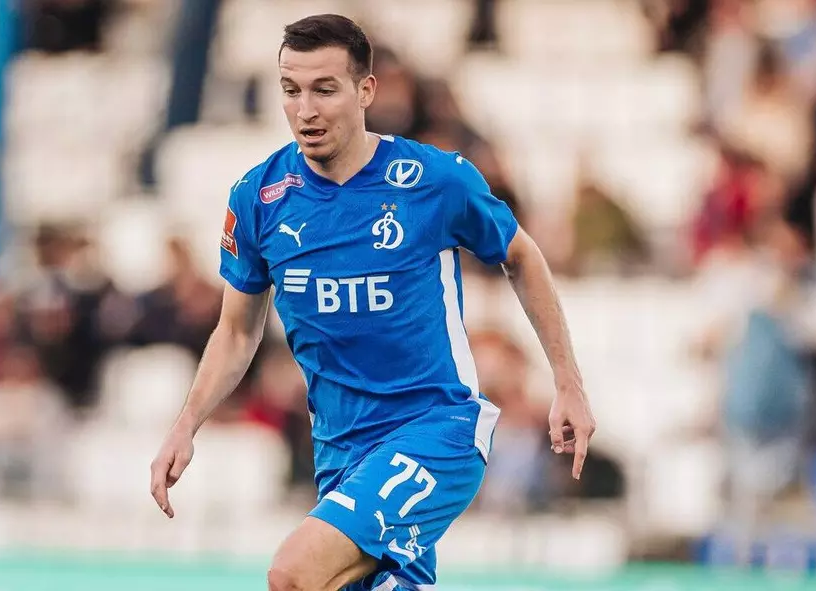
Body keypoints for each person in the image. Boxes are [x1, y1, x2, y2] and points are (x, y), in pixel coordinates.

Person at [150, 14, 595, 591]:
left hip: (435, 431)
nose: (305, 110)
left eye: (324, 89)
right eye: (291, 90)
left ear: (366, 90)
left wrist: (567, 382)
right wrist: (186, 424)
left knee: (293, 574)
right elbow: (237, 331)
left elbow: (521, 255)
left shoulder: (433, 180)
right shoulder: (258, 198)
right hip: (340, 454)